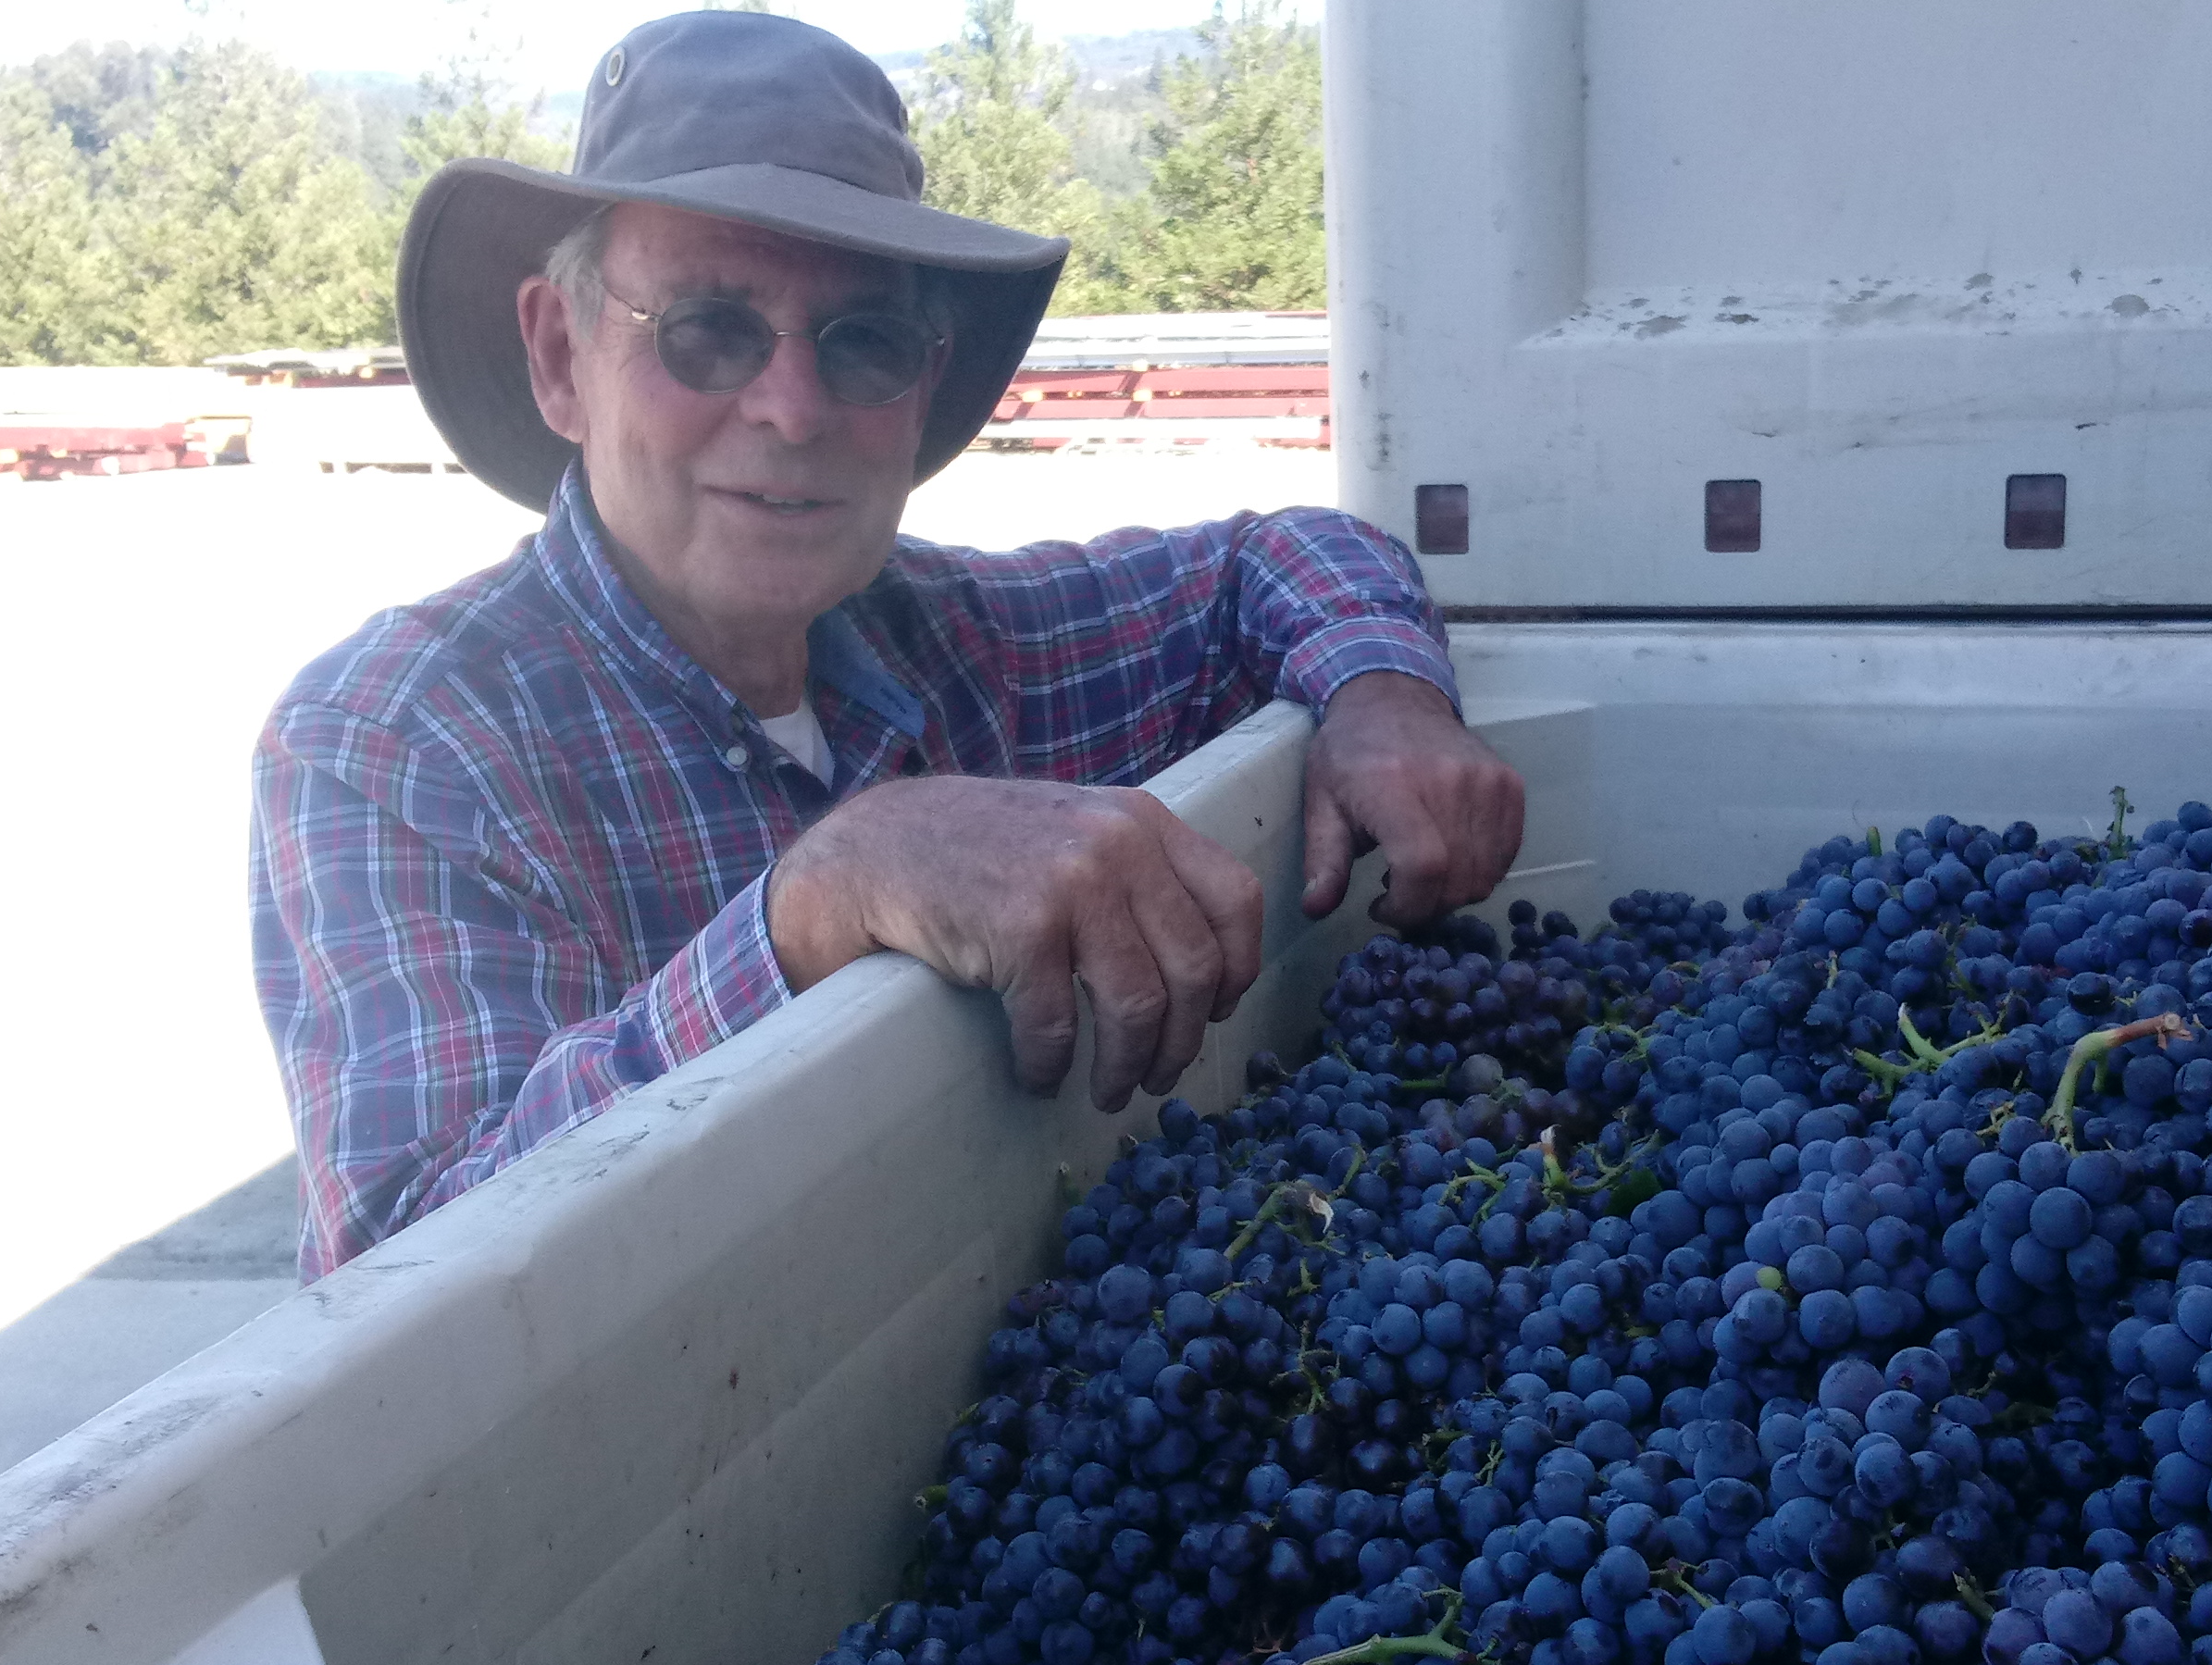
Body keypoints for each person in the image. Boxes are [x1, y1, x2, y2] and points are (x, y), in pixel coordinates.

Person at [250, 11, 1524, 1280]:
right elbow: (406, 1272)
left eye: (861, 341)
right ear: (558, 355)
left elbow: (1280, 555)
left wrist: (1384, 693)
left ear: (921, 384)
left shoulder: (967, 637)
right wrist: (818, 903)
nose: (793, 409)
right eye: (707, 328)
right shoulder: (399, 742)